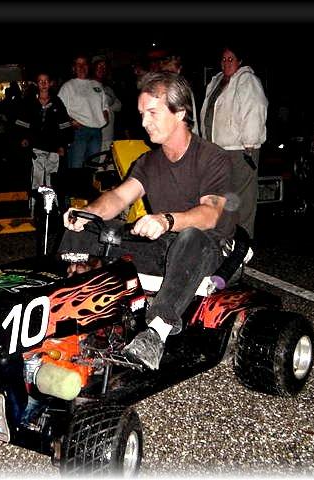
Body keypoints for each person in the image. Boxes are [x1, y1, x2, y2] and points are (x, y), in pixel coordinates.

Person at [58, 71, 236, 370]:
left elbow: (210, 214)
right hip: (163, 243)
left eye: (152, 113)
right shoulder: (148, 161)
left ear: (180, 113)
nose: (144, 122)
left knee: (190, 236)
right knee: (88, 227)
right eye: (142, 114)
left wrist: (166, 220)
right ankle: (66, 302)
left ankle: (156, 333)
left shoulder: (212, 157)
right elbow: (118, 198)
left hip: (208, 249)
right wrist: (87, 214)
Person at [200, 44, 268, 239]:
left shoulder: (247, 80)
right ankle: (224, 239)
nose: (226, 62)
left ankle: (243, 243)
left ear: (240, 61)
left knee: (242, 198)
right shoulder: (217, 81)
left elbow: (255, 110)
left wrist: (250, 144)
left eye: (231, 59)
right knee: (223, 197)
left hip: (241, 149)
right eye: (224, 59)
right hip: (217, 149)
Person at [14, 71, 72, 215]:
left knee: (52, 181)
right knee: (37, 181)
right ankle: (34, 211)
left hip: (53, 149)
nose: (44, 84)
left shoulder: (57, 102)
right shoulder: (29, 102)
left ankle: (54, 212)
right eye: (40, 81)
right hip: (36, 149)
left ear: (50, 83)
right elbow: (21, 123)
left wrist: (63, 145)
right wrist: (23, 138)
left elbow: (64, 125)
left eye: (46, 81)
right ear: (37, 84)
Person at [58, 54, 109, 169]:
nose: (82, 67)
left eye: (84, 64)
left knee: (93, 166)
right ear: (74, 68)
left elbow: (104, 105)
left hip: (96, 131)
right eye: (78, 64)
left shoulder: (96, 85)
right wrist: (70, 121)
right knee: (76, 166)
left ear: (88, 66)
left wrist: (105, 115)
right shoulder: (68, 86)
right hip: (78, 131)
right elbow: (59, 109)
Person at [91, 55, 122, 158]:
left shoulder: (108, 88)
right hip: (95, 136)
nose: (102, 69)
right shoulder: (87, 86)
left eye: (104, 67)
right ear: (93, 67)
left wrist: (106, 106)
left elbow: (119, 105)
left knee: (107, 163)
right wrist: (107, 104)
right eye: (99, 66)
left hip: (109, 134)